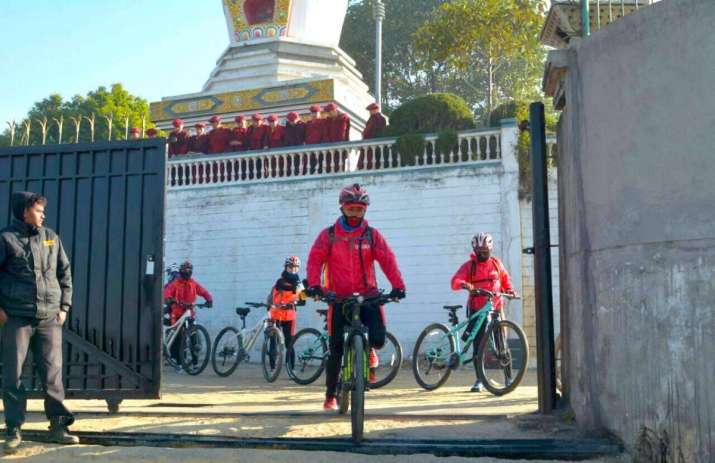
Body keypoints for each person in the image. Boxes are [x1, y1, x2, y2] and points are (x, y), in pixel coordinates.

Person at [305, 184, 406, 411]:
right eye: (351, 209)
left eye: (359, 210)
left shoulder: (372, 235)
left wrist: (398, 286)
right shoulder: (329, 235)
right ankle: (331, 394)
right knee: (336, 349)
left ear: (365, 211)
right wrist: (315, 285)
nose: (355, 214)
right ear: (342, 208)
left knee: (378, 339)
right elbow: (315, 260)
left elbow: (388, 260)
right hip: (338, 298)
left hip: (368, 296)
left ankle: (367, 350)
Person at [0, 192, 79, 453]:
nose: (43, 214)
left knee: (53, 374)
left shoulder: (50, 237)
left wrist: (64, 307)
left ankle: (58, 426)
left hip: (49, 318)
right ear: (24, 211)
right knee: (13, 376)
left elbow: (64, 272)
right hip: (17, 318)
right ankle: (13, 430)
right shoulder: (6, 239)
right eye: (38, 209)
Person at [450, 232, 517, 393]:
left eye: (485, 251)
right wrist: (465, 284)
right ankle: (480, 380)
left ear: (490, 250)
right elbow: (455, 281)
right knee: (478, 345)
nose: (482, 254)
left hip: (496, 307)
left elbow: (506, 281)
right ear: (474, 250)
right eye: (479, 251)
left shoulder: (496, 264)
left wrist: (510, 291)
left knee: (502, 344)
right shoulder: (469, 266)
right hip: (476, 308)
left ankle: (509, 378)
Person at [163, 261, 213, 370]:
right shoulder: (175, 283)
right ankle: (179, 363)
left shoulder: (193, 283)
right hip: (177, 314)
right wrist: (169, 299)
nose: (187, 272)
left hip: (189, 312)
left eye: (189, 270)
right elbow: (167, 292)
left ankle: (195, 363)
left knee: (194, 338)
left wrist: (209, 299)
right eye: (185, 270)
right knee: (179, 337)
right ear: (181, 271)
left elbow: (203, 291)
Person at [268, 256, 305, 370]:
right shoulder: (280, 281)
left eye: (296, 267)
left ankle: (291, 368)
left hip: (289, 316)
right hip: (276, 314)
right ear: (286, 267)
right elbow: (282, 289)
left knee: (290, 342)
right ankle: (272, 368)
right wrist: (296, 289)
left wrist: (296, 301)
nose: (293, 270)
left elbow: (302, 301)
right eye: (290, 267)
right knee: (273, 340)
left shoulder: (299, 284)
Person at [358, 102, 388, 169]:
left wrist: (363, 135)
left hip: (371, 142)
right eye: (370, 111)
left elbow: (369, 130)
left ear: (376, 110)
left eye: (371, 110)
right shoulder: (375, 118)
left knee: (369, 160)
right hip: (371, 142)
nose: (370, 112)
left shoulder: (376, 118)